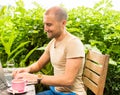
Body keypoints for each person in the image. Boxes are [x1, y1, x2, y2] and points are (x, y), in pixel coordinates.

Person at [12, 6, 87, 95]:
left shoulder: (73, 43)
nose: (45, 29)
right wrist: (26, 69)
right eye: (45, 24)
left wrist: (37, 78)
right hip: (56, 91)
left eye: (49, 25)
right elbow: (39, 64)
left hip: (72, 93)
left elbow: (68, 80)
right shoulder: (53, 42)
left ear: (63, 23)